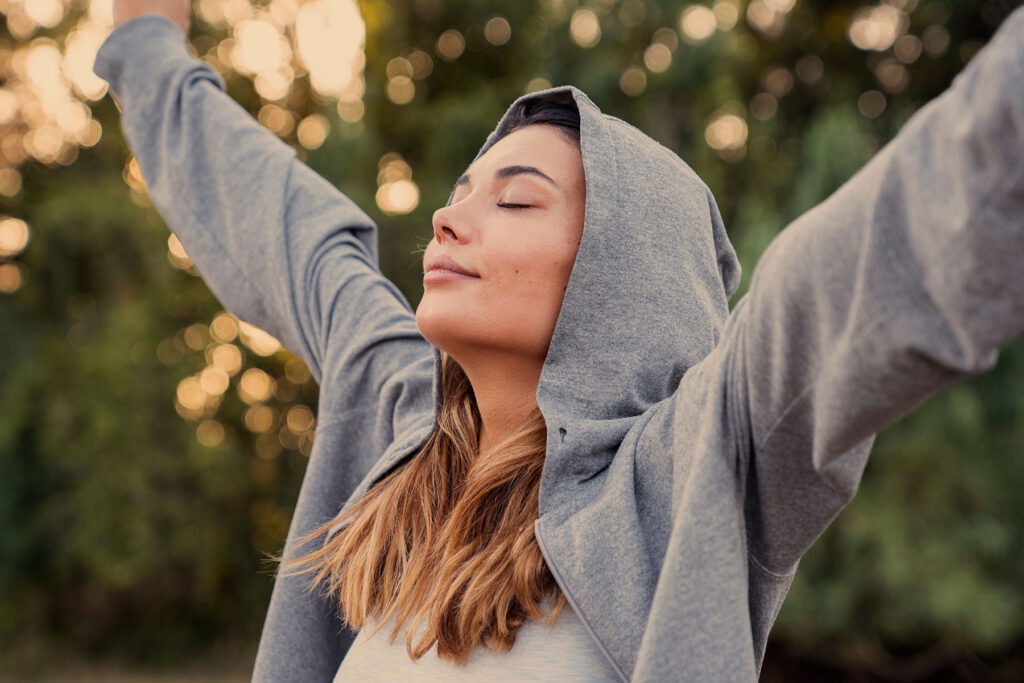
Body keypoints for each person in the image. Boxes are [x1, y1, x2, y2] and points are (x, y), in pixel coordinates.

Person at [95, 2, 1024, 681]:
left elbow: (878, 250)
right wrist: (146, 44)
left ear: (624, 271)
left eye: (515, 200)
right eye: (461, 192)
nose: (449, 220)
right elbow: (283, 226)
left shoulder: (698, 468)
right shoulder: (395, 425)